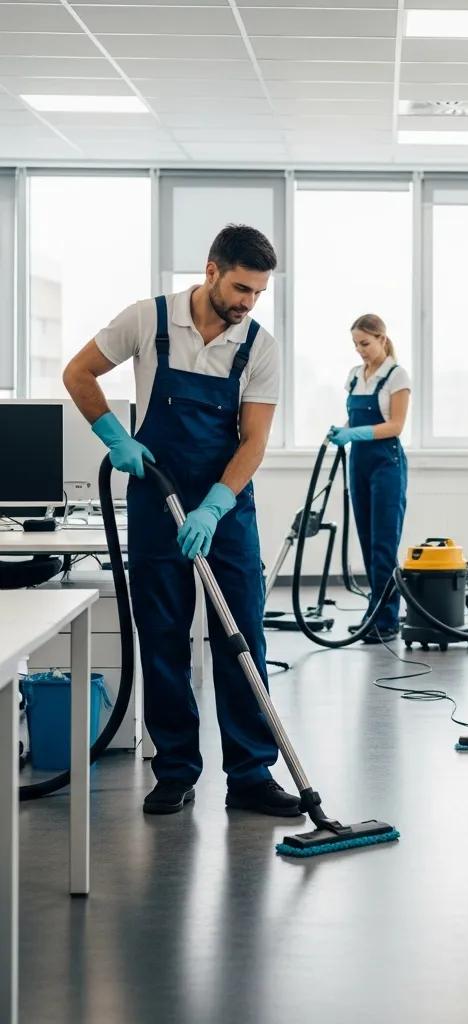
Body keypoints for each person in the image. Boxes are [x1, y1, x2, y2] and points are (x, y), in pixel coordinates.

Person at [62, 224, 300, 818]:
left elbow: (254, 441)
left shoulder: (260, 347)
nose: (248, 303)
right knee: (163, 637)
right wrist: (114, 436)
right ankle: (175, 772)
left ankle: (249, 775)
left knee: (241, 635)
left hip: (225, 505)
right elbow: (78, 374)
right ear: (212, 270)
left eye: (258, 293)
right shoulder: (149, 319)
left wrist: (217, 505)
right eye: (242, 287)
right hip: (155, 497)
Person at [328, 314, 411, 643]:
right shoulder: (354, 376)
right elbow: (352, 417)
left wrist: (355, 432)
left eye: (365, 343)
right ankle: (374, 610)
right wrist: (343, 430)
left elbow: (396, 425)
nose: (360, 350)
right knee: (365, 537)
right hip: (359, 462)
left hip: (386, 463)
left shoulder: (396, 375)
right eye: (356, 345)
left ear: (382, 339)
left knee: (383, 543)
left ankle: (387, 618)